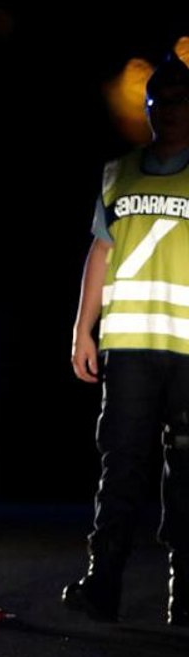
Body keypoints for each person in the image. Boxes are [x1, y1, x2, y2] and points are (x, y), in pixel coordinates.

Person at [64, 53, 189, 625]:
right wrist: (82, 329)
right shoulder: (119, 172)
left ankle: (185, 592)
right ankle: (103, 583)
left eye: (179, 100)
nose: (168, 110)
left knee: (187, 475)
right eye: (158, 101)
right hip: (131, 345)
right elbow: (101, 251)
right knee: (121, 466)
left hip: (187, 352)